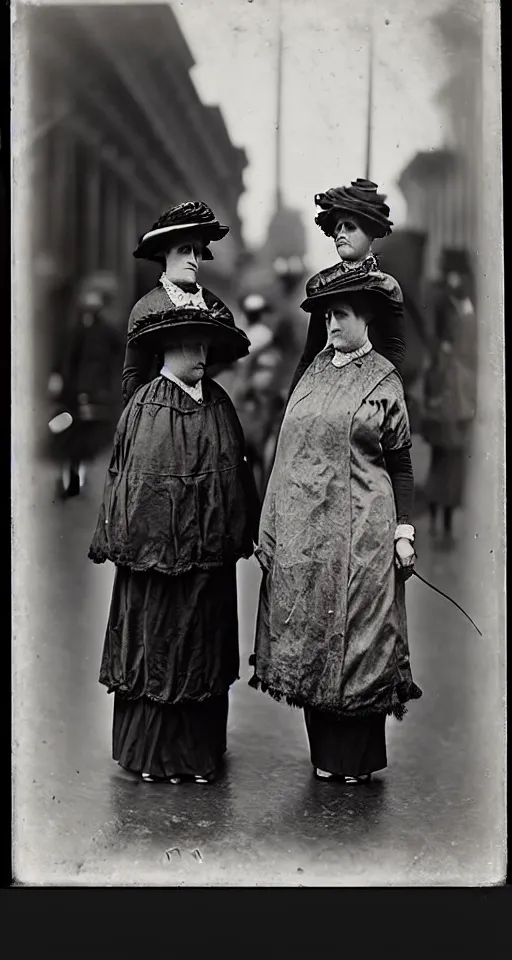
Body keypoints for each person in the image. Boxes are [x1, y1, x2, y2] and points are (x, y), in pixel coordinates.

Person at [249, 265, 422, 784]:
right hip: (310, 531)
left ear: (364, 318)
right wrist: (275, 522)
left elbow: (402, 462)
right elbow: (285, 452)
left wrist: (405, 530)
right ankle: (325, 754)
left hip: (366, 531)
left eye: (341, 315)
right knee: (314, 634)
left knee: (363, 638)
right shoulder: (311, 375)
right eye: (327, 316)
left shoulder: (384, 380)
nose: (331, 325)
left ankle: (358, 761)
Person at [88, 293, 259, 784]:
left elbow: (236, 477)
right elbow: (134, 490)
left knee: (203, 644)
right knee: (159, 643)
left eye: (205, 345)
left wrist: (239, 529)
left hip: (208, 564)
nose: (201, 355)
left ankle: (198, 755)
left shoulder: (221, 405)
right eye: (190, 344)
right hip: (156, 566)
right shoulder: (144, 408)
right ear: (165, 348)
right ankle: (152, 756)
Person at [288, 179, 406, 400]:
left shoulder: (386, 286)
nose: (341, 234)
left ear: (370, 233)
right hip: (330, 386)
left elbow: (395, 348)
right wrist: (292, 407)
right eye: (337, 228)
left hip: (374, 388)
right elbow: (310, 353)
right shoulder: (322, 284)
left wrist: (382, 393)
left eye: (350, 227)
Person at [121, 200, 235, 406]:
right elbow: (133, 376)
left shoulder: (213, 306)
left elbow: (224, 358)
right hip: (159, 409)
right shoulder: (146, 308)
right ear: (166, 253)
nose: (193, 259)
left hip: (204, 405)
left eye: (197, 251)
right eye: (184, 250)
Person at [48, 273, 123, 498]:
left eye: (96, 296)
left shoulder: (108, 333)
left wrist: (109, 390)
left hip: (94, 395)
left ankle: (77, 479)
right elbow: (63, 357)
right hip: (72, 392)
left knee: (85, 440)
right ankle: (70, 478)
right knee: (67, 434)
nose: (90, 299)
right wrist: (56, 376)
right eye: (88, 294)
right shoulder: (74, 329)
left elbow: (115, 364)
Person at [421, 249, 477, 547]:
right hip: (446, 388)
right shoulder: (445, 299)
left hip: (451, 388)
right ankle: (438, 523)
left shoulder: (456, 300)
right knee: (444, 458)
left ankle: (441, 523)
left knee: (447, 459)